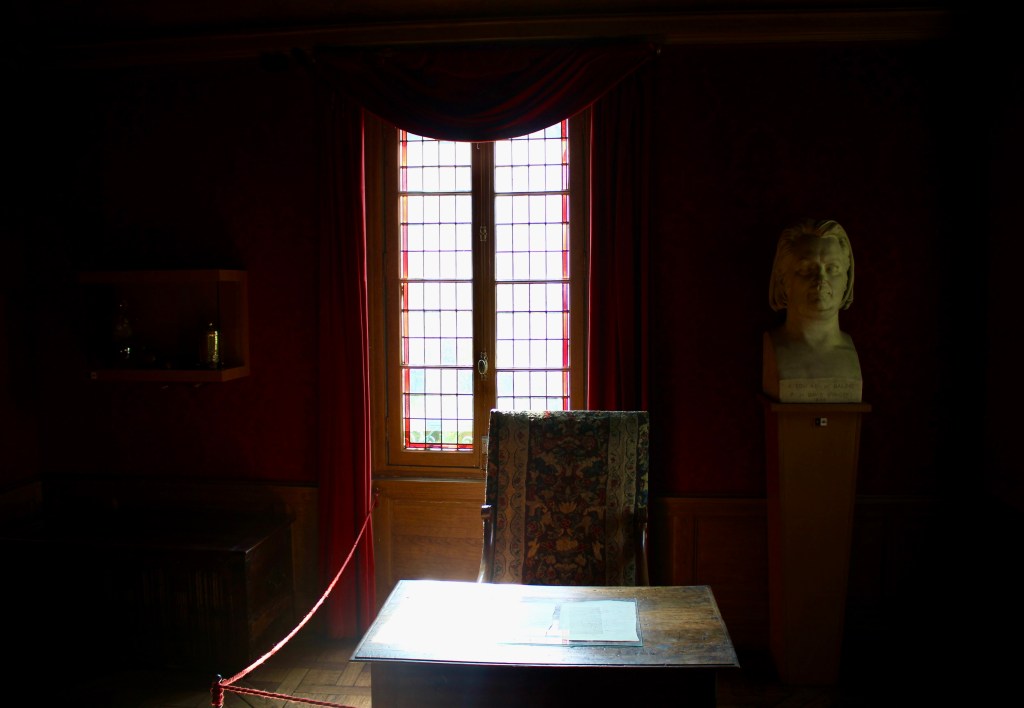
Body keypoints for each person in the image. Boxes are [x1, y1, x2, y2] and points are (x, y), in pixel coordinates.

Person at [763, 218, 862, 402]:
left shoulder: (849, 353)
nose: (821, 280)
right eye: (807, 269)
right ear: (783, 280)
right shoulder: (775, 349)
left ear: (847, 279)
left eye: (832, 268)